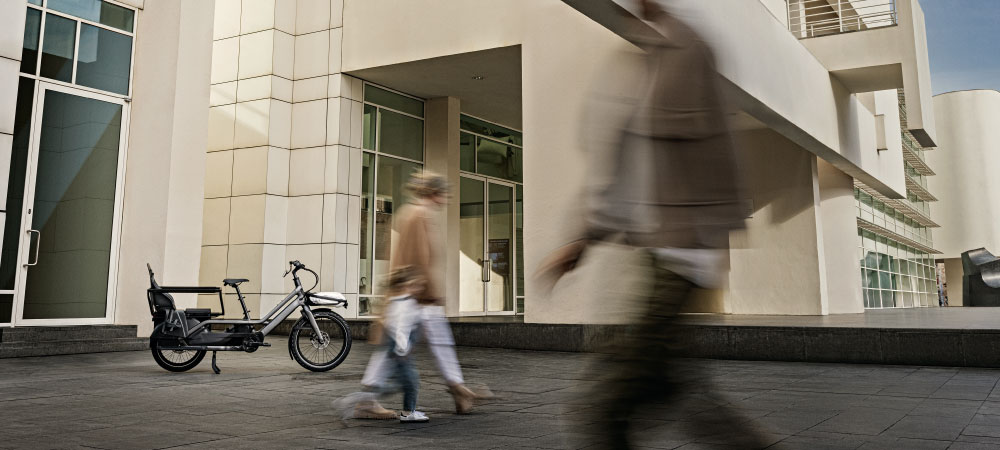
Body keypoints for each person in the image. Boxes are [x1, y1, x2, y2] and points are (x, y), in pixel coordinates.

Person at [537, 1, 771, 448]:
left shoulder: (686, 50)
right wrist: (584, 240)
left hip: (679, 256)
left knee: (607, 409)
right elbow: (628, 169)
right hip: (659, 253)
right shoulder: (649, 54)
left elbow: (706, 162)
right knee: (678, 389)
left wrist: (708, 241)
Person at [349, 172, 490, 420]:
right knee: (407, 346)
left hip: (413, 293)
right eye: (443, 192)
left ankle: (457, 389)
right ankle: (457, 389)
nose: (446, 197)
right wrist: (427, 291)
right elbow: (419, 258)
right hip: (415, 295)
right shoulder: (419, 215)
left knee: (408, 345)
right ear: (434, 193)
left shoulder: (415, 213)